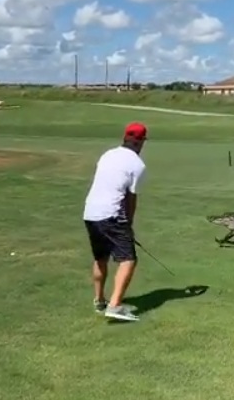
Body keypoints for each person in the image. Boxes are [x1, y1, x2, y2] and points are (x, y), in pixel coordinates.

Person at [82, 122, 147, 322]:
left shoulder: (108, 154)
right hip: (112, 214)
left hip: (91, 212)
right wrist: (129, 225)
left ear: (125, 138)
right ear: (141, 142)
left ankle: (100, 301)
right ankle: (115, 305)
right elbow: (130, 199)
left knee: (100, 258)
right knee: (128, 259)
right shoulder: (137, 164)